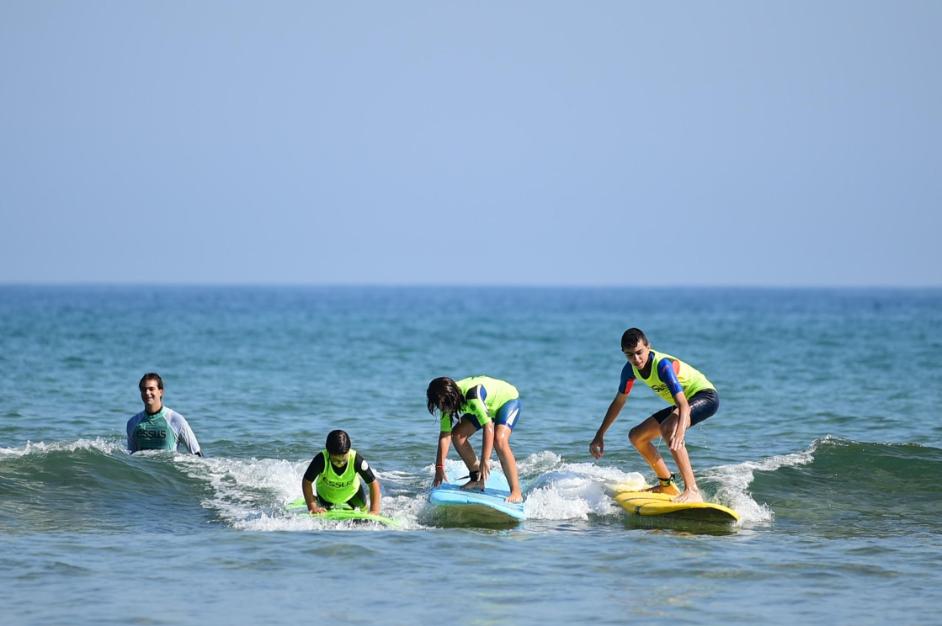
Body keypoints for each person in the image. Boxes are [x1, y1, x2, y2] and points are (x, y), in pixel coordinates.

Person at [589, 328, 718, 503]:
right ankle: (666, 485)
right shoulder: (629, 371)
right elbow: (618, 402)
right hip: (684, 403)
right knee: (636, 436)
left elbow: (683, 405)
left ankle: (692, 490)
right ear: (624, 354)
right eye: (630, 355)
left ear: (648, 347)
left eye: (639, 352)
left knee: (669, 428)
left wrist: (679, 431)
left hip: (705, 396)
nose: (636, 359)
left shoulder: (663, 365)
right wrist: (600, 434)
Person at [426, 375, 523, 503]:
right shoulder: (445, 402)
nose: (442, 408)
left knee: (499, 440)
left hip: (507, 401)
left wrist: (485, 459)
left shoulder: (472, 395)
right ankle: (477, 479)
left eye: (443, 404)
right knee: (457, 435)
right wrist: (439, 468)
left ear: (452, 396)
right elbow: (445, 435)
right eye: (439, 405)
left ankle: (516, 491)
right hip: (486, 407)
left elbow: (488, 426)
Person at [301, 430, 382, 515]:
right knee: (323, 511)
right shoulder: (320, 460)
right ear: (328, 452)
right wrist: (312, 507)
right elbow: (306, 482)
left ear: (349, 450)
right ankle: (315, 500)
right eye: (335, 460)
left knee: (364, 509)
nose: (340, 463)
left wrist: (374, 510)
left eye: (343, 460)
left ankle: (363, 508)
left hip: (353, 494)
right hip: (326, 496)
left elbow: (373, 484)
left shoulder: (357, 460)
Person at [127, 372, 203, 455]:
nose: (147, 393)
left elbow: (197, 453)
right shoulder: (133, 423)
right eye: (144, 389)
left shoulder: (176, 420)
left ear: (161, 392)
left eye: (151, 389)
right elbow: (131, 458)